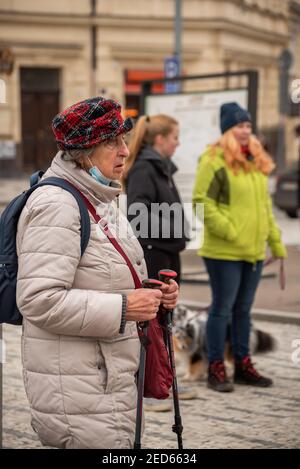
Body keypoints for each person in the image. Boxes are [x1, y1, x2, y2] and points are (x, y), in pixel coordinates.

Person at [16, 97, 179, 448]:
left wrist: (153, 295)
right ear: (83, 152)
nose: (124, 151)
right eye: (112, 143)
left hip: (106, 381)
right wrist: (125, 307)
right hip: (79, 391)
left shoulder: (101, 198)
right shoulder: (56, 206)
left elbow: (105, 275)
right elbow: (38, 300)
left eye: (122, 140)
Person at [192, 102, 287, 393]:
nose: (245, 131)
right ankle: (216, 367)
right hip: (224, 251)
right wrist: (230, 230)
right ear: (227, 130)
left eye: (247, 125)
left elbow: (264, 208)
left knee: (244, 311)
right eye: (239, 126)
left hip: (254, 252)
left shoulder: (255, 160)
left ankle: (243, 364)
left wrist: (275, 241)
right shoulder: (213, 160)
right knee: (222, 309)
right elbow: (200, 201)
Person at [123, 114, 188, 285]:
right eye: (175, 137)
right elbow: (138, 214)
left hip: (167, 251)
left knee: (167, 309)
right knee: (158, 310)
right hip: (155, 255)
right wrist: (176, 231)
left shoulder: (161, 167)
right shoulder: (144, 168)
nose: (178, 143)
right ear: (160, 139)